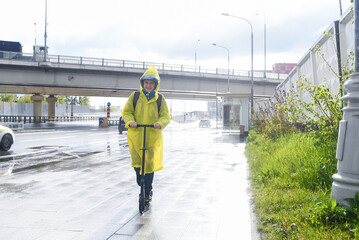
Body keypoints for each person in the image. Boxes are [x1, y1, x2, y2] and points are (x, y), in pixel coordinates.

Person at [122, 66, 171, 204]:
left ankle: (148, 190)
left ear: (156, 85)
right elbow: (127, 112)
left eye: (151, 83)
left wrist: (160, 123)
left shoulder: (160, 99)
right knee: (137, 164)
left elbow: (165, 115)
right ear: (142, 83)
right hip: (136, 136)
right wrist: (130, 121)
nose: (148, 86)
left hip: (152, 137)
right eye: (146, 83)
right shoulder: (135, 96)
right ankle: (141, 183)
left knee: (149, 165)